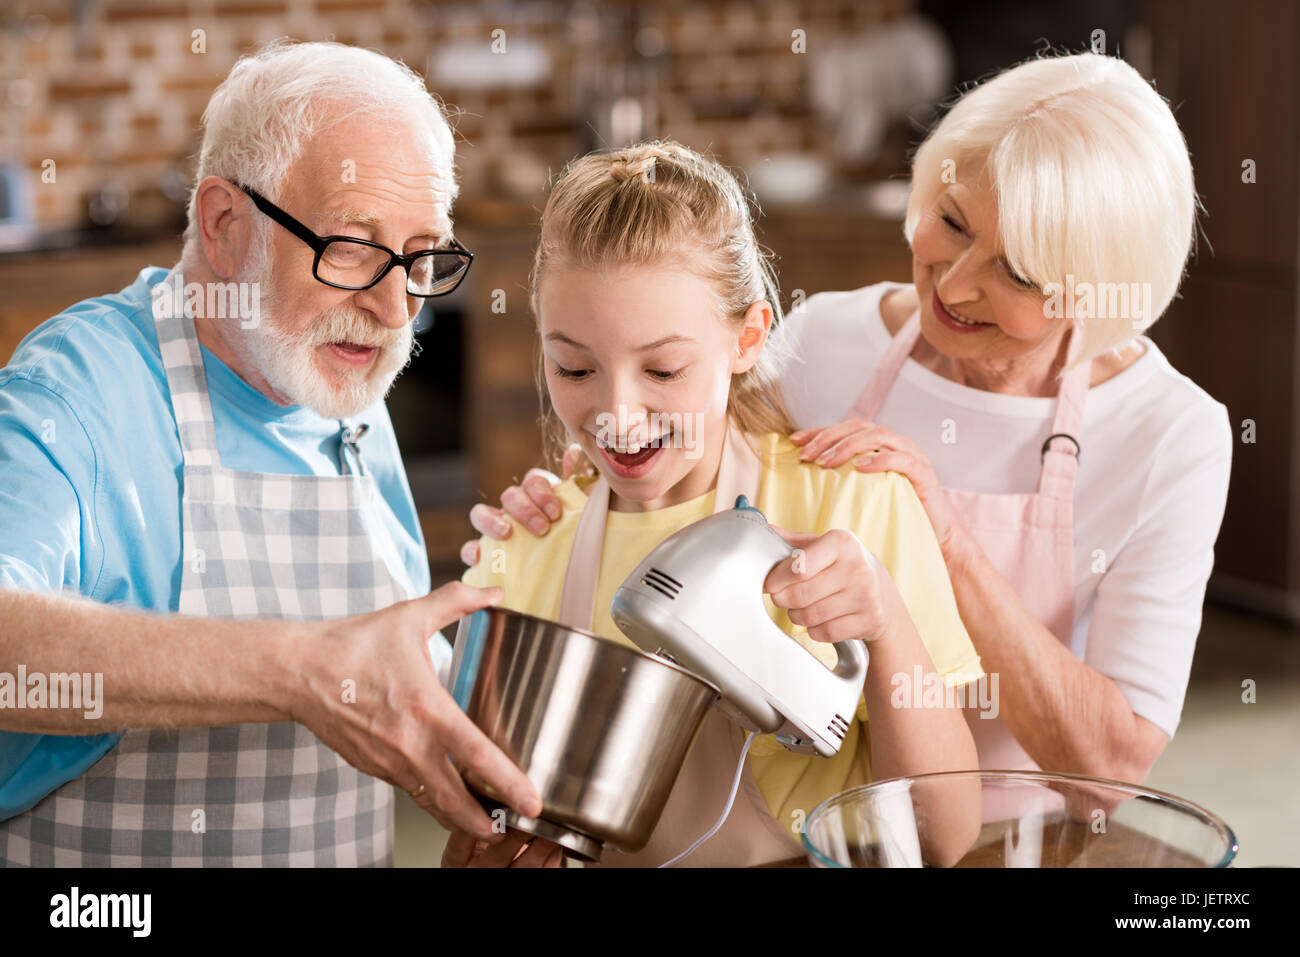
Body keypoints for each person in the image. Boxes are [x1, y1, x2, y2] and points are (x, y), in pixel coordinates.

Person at [467, 52, 1232, 787]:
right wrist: (579, 485)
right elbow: (673, 446)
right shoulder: (827, 340)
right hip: (843, 812)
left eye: (1018, 271)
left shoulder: (1169, 434)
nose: (955, 286)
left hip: (1032, 830)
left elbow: (1112, 770)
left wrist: (949, 545)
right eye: (954, 222)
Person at [0, 40, 540, 866]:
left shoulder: (342, 396)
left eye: (421, 255)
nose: (396, 310)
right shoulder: (82, 391)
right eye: (351, 246)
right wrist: (301, 671)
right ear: (225, 225)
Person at [449, 140, 983, 869]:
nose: (619, 415)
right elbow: (471, 836)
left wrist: (885, 623)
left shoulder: (856, 503)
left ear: (748, 337)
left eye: (663, 368)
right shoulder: (527, 544)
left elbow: (940, 838)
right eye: (574, 366)